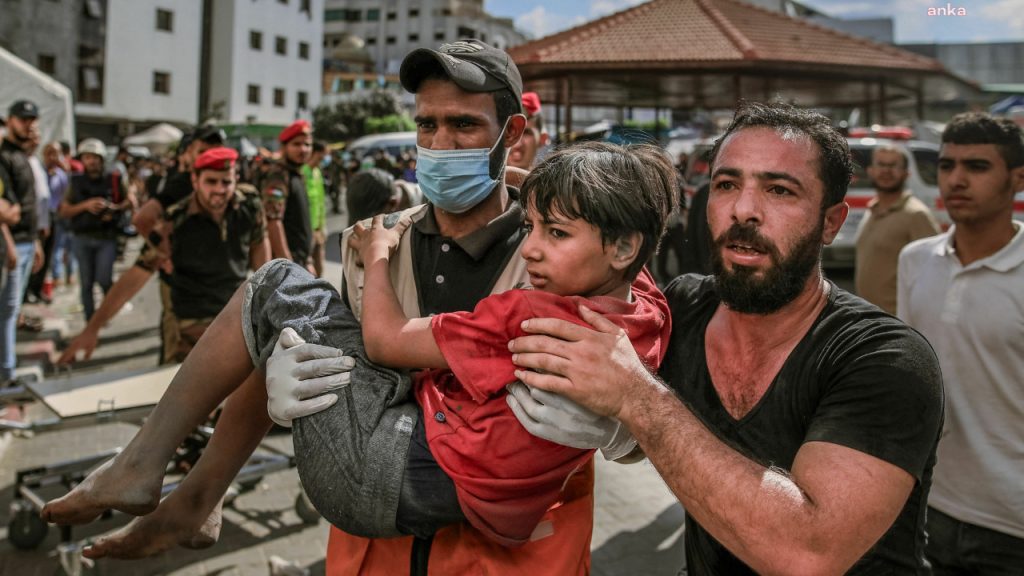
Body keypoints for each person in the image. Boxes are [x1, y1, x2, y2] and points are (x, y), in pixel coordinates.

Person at [43, 39, 613, 575]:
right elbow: (323, 359)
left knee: (274, 287)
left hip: (511, 552)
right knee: (277, 321)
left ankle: (182, 491)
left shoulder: (565, 254)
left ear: (510, 131)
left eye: (464, 124)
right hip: (378, 550)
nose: (439, 143)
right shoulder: (375, 244)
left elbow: (637, 366)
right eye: (426, 124)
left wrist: (619, 420)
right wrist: (281, 385)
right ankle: (193, 496)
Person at [505, 101, 945, 574]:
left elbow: (808, 554)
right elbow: (648, 440)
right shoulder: (682, 309)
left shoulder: (883, 358)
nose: (743, 211)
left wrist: (635, 397)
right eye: (726, 185)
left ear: (831, 222)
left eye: (779, 189)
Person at [897, 112, 1024, 574]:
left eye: (977, 167)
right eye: (947, 166)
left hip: (1011, 524)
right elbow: (912, 380)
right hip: (927, 505)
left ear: (1017, 179)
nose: (956, 180)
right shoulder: (916, 261)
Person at [58, 147, 269, 364]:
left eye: (226, 182)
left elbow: (262, 260)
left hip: (234, 319)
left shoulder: (249, 206)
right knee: (184, 392)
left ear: (236, 179)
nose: (219, 190)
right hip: (190, 325)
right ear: (195, 181)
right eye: (211, 182)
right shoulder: (175, 222)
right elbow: (134, 277)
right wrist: (92, 329)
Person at [854, 144, 939, 314]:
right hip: (869, 320)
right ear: (870, 171)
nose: (886, 171)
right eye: (881, 165)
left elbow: (933, 276)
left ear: (906, 173)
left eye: (893, 165)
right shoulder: (873, 209)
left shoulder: (916, 214)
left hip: (897, 323)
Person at [59, 138, 133, 321]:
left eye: (95, 157)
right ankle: (91, 323)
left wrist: (113, 209)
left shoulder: (114, 179)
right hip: (82, 238)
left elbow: (130, 202)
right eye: (87, 157)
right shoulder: (74, 182)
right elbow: (64, 210)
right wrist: (86, 205)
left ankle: (107, 311)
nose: (92, 161)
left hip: (106, 237)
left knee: (104, 278)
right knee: (86, 284)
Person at [0, 100, 42, 385]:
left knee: (11, 311)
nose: (28, 124)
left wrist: (35, 241)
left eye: (32, 119)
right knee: (8, 311)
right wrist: (9, 245)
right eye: (23, 119)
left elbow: (25, 206)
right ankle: (6, 374)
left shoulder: (22, 155)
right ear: (11, 120)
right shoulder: (4, 156)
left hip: (26, 241)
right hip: (12, 244)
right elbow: (5, 211)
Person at [262, 120, 313, 269]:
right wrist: (289, 266)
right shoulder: (279, 175)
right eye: (296, 144)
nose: (303, 149)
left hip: (300, 260)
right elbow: (273, 221)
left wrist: (308, 259)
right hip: (288, 264)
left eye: (307, 145)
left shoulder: (297, 174)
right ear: (284, 147)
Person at [302, 140, 328, 277]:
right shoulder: (302, 172)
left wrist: (323, 226)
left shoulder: (317, 172)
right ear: (313, 154)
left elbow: (321, 201)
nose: (321, 161)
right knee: (306, 270)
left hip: (317, 229)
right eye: (320, 158)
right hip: (306, 230)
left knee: (319, 268)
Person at [508, 92, 549, 171]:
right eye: (510, 131)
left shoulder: (549, 183)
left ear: (542, 138)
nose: (518, 144)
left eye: (527, 133)